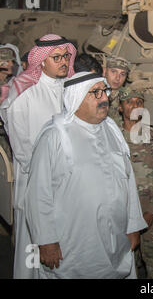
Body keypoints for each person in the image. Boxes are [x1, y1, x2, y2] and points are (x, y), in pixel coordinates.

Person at [25, 72, 147, 278]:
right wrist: (46, 241)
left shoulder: (112, 131)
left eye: (105, 91)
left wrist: (134, 225)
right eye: (95, 93)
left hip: (115, 236)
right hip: (74, 241)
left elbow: (128, 182)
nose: (104, 98)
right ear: (76, 97)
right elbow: (38, 193)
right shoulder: (54, 136)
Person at [6, 34, 76, 279]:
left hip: (69, 186)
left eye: (66, 56)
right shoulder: (24, 95)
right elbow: (23, 148)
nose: (64, 61)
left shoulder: (72, 92)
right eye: (56, 57)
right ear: (42, 62)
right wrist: (49, 173)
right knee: (33, 248)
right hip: (35, 185)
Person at [118, 86, 153, 278]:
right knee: (123, 266)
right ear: (120, 107)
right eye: (129, 102)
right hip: (121, 216)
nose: (134, 106)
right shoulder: (111, 136)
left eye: (139, 102)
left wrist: (151, 212)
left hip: (152, 216)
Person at [103, 55, 130, 125]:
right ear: (104, 71)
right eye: (113, 71)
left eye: (122, 74)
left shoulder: (127, 96)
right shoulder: (94, 93)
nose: (118, 78)